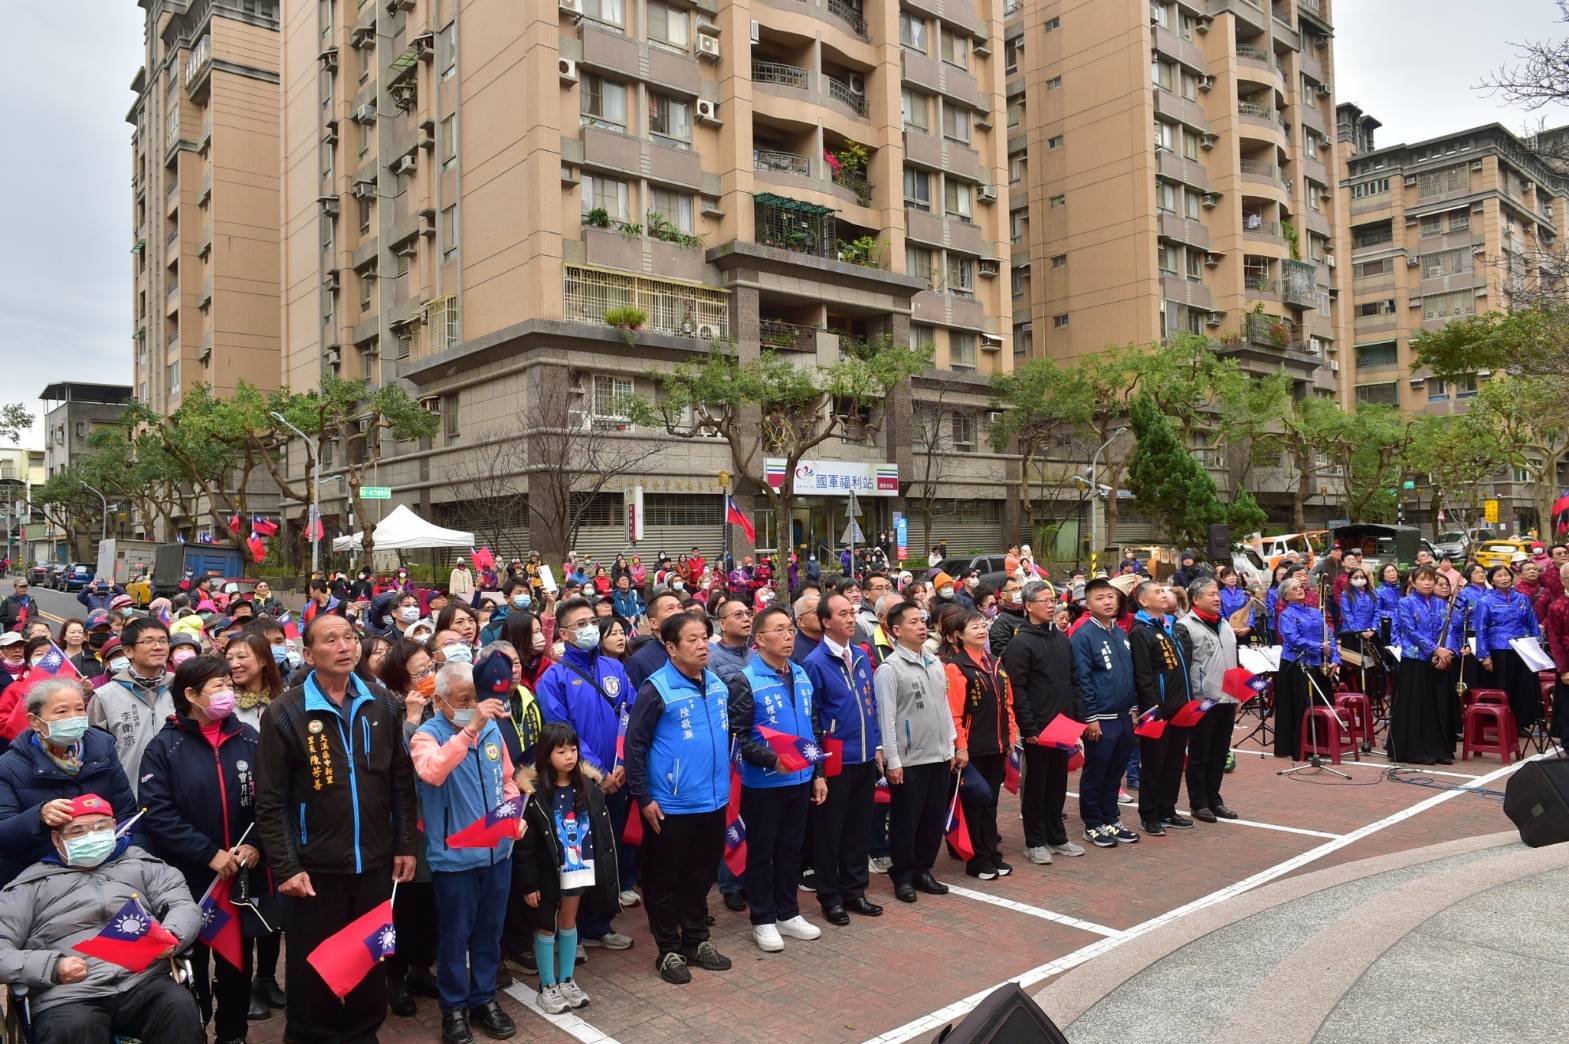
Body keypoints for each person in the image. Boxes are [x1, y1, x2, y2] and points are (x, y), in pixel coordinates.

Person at [254, 613, 418, 1044]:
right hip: (314, 869)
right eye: (331, 639)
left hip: (375, 863)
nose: (344, 646)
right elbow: (270, 800)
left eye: (349, 637)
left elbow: (401, 782)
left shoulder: (384, 704)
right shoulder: (285, 713)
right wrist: (287, 867)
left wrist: (405, 843)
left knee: (369, 958)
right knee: (313, 967)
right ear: (308, 654)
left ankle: (363, 1034)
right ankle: (312, 1036)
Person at [0, 792, 204, 1044]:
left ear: (114, 826)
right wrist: (52, 967)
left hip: (144, 979)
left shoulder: (143, 864)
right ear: (56, 839)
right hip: (70, 993)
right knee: (73, 1029)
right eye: (77, 831)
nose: (91, 836)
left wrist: (172, 934)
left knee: (179, 1010)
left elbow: (182, 904)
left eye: (100, 827)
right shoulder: (30, 885)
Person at [137, 654, 267, 1041]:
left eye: (229, 683)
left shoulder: (249, 738)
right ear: (192, 695)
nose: (228, 691)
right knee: (189, 961)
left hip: (239, 876)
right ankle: (195, 1028)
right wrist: (207, 853)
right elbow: (157, 814)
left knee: (237, 962)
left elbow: (271, 801)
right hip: (188, 878)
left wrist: (255, 845)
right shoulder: (164, 748)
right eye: (218, 686)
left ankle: (233, 1032)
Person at [410, 662, 521, 1044]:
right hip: (454, 859)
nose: (474, 705)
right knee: (454, 939)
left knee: (490, 934)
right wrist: (469, 729)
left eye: (477, 697)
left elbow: (507, 780)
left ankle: (484, 1000)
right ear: (439, 701)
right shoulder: (426, 736)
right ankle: (453, 1008)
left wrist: (513, 816)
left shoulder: (491, 730)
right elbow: (432, 772)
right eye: (464, 699)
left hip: (498, 854)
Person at [625, 613, 734, 985]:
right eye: (692, 639)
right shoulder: (656, 690)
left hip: (713, 800)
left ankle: (696, 940)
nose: (703, 645)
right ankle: (668, 949)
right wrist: (643, 796)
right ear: (671, 647)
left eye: (705, 637)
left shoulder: (717, 685)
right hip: (670, 805)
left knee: (701, 876)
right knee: (664, 879)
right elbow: (635, 747)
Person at [534, 597, 635, 951]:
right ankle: (570, 931)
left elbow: (630, 714)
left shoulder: (614, 667)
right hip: (578, 782)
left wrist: (622, 763)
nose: (590, 628)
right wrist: (597, 772)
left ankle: (598, 925)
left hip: (618, 778)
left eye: (592, 621)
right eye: (580, 624)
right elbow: (561, 732)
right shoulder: (554, 678)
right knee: (576, 855)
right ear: (564, 634)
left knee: (609, 849)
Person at [726, 605, 826, 952]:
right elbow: (738, 736)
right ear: (759, 639)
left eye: (790, 630)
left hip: (800, 778)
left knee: (791, 849)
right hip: (764, 784)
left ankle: (788, 912)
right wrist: (772, 759)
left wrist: (818, 773)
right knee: (762, 852)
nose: (788, 637)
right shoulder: (745, 680)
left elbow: (813, 726)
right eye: (779, 630)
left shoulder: (800, 673)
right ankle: (763, 918)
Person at [515, 722, 620, 1014]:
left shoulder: (588, 787)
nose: (569, 756)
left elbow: (600, 833)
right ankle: (547, 986)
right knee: (546, 925)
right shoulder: (534, 794)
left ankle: (567, 980)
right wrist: (529, 883)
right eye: (561, 751)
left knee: (569, 921)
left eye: (573, 750)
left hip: (579, 867)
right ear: (546, 754)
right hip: (549, 871)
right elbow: (525, 846)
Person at [0, 677, 138, 884]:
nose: (73, 717)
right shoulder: (8, 767)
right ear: (35, 721)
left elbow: (126, 812)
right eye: (62, 711)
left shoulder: (103, 748)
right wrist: (38, 816)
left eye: (79, 709)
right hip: (43, 877)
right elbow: (4, 834)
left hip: (110, 867)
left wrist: (124, 854)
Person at [801, 592, 883, 924]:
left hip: (864, 757)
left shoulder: (861, 655)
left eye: (852, 612)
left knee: (858, 829)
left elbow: (870, 705)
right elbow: (812, 717)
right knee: (829, 833)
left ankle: (854, 891)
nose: (851, 619)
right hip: (835, 760)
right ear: (825, 621)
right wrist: (818, 768)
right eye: (843, 614)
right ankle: (830, 897)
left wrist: (877, 745)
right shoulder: (815, 663)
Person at [874, 601, 959, 904]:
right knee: (906, 821)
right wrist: (893, 760)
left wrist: (951, 744)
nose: (922, 626)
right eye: (913, 622)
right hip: (910, 759)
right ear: (896, 630)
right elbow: (886, 718)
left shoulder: (934, 662)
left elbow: (945, 707)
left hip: (939, 754)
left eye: (922, 621)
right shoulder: (889, 669)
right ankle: (903, 875)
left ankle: (924, 869)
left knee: (932, 819)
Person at [1002, 580, 1082, 866]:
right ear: (1028, 606)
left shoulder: (1061, 638)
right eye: (1044, 601)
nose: (1051, 605)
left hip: (1063, 723)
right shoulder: (1020, 643)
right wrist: (1029, 727)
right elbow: (1017, 689)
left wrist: (1077, 717)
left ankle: (1056, 836)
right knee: (1036, 785)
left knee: (1058, 782)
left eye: (1053, 600)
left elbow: (1074, 679)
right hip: (1038, 726)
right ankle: (1034, 841)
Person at [942, 607, 1017, 878]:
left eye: (983, 625)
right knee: (976, 802)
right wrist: (961, 747)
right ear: (959, 635)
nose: (982, 630)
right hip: (972, 749)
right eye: (974, 626)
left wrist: (1010, 735)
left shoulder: (995, 662)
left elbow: (1007, 704)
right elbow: (954, 713)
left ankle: (991, 853)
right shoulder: (956, 667)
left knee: (991, 802)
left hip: (997, 745)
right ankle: (977, 860)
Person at [1071, 578, 1139, 848]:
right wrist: (1090, 718)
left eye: (1111, 596)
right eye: (1100, 598)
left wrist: (1133, 708)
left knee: (1115, 771)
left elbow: (1129, 674)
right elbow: (1083, 680)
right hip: (1101, 718)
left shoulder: (1120, 632)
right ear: (1087, 604)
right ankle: (1093, 823)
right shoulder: (1083, 635)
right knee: (1096, 772)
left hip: (1124, 715)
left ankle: (1111, 817)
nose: (1108, 602)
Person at [1129, 582, 1194, 837]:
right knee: (1154, 763)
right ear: (1144, 601)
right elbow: (1143, 675)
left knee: (1175, 761)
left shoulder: (1172, 625)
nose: (1164, 595)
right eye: (1157, 592)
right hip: (1158, 709)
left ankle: (1168, 809)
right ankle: (1149, 814)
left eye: (1164, 591)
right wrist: (1153, 708)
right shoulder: (1140, 631)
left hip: (1181, 706)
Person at [1176, 579, 1240, 822]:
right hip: (1203, 699)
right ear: (1196, 598)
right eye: (1211, 594)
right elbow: (1184, 667)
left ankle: (1215, 799)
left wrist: (1238, 693)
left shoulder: (1224, 623)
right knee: (1200, 752)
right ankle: (1199, 802)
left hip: (1228, 697)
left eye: (1218, 594)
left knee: (1219, 752)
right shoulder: (1185, 626)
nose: (1217, 598)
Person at [89, 617, 174, 795]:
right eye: (148, 641)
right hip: (130, 796)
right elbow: (95, 756)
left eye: (163, 641)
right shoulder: (105, 697)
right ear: (128, 651)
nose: (158, 647)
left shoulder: (183, 688)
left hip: (181, 795)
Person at [1389, 566, 1459, 765]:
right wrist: (1435, 649)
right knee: (1417, 705)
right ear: (1413, 582)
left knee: (1437, 705)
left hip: (1439, 660)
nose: (1427, 583)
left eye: (1430, 579)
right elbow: (1410, 631)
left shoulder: (1441, 603)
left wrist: (1447, 652)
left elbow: (1450, 629)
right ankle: (1414, 751)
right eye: (1422, 579)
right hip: (1415, 659)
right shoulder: (1405, 602)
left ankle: (1438, 749)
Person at [1275, 578, 1340, 760]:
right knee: (1302, 705)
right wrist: (1319, 647)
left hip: (1320, 664)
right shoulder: (1286, 615)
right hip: (1297, 665)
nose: (1299, 589)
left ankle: (1322, 744)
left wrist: (1335, 658)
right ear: (1286, 596)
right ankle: (1301, 747)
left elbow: (1329, 636)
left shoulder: (1315, 612)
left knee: (1322, 702)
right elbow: (1293, 639)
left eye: (1301, 587)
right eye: (1294, 588)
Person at [1477, 563, 1544, 735]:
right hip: (1498, 650)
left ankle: (1521, 723)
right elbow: (1481, 629)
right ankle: (1500, 725)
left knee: (1522, 686)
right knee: (1503, 686)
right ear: (1492, 580)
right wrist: (1484, 655)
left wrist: (1537, 644)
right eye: (1499, 576)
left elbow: (1532, 622)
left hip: (1522, 648)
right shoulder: (1485, 601)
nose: (1504, 578)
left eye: (1506, 575)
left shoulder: (1522, 598)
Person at [625, 590, 684, 690]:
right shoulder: (638, 662)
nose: (679, 612)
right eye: (670, 609)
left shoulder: (693, 650)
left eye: (680, 607)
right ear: (653, 623)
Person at [708, 595, 754, 681]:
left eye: (748, 613)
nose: (746, 619)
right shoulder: (711, 661)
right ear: (722, 624)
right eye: (738, 614)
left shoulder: (756, 656)